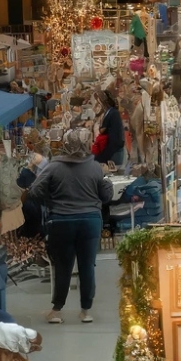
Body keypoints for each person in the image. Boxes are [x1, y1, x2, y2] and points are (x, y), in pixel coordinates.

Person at [28, 128, 112, 325]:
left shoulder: (54, 167)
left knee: (63, 267)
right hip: (90, 221)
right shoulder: (94, 167)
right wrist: (106, 180)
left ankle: (56, 310)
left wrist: (51, 201)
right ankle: (86, 311)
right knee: (87, 266)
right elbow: (106, 196)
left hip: (61, 221)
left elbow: (34, 191)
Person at [91, 89, 127, 168]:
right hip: (110, 151)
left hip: (114, 153)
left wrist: (103, 157)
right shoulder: (108, 113)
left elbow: (115, 139)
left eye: (98, 100)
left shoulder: (113, 114)